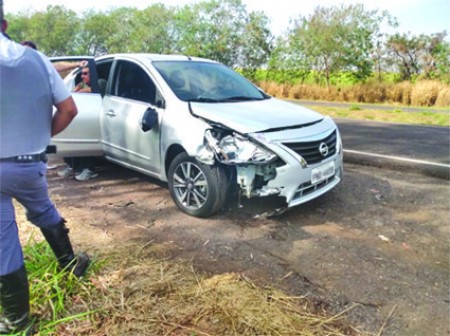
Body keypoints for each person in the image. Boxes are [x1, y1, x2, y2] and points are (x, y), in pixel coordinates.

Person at [0, 1, 90, 334]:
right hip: (28, 166)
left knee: (2, 241)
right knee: (44, 210)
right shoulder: (36, 60)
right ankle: (69, 264)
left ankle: (18, 321)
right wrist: (40, 136)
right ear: (5, 24)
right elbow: (69, 109)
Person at [21, 40, 89, 72]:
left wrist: (77, 64)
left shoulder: (38, 68)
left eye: (30, 52)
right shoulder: (14, 67)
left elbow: (56, 66)